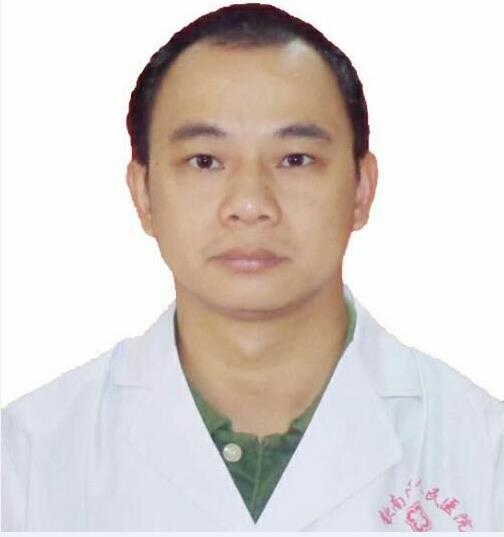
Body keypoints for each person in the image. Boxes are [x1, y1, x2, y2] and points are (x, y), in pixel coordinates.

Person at [1, 3, 503, 531]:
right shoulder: (27, 461)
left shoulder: (483, 457)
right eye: (205, 161)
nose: (249, 203)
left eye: (295, 159)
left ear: (361, 189)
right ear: (143, 194)